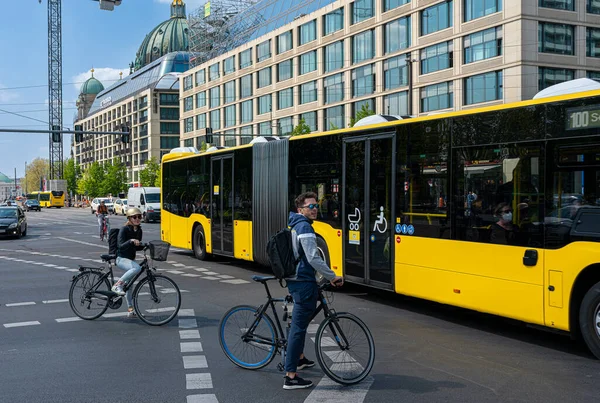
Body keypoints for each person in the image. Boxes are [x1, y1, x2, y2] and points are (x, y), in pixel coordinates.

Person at [284, 191, 344, 390]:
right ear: (300, 209)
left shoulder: (295, 224)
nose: (315, 209)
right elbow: (313, 258)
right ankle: (290, 376)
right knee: (298, 328)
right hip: (302, 281)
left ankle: (299, 358)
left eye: (316, 205)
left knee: (300, 322)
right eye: (310, 206)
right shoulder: (304, 227)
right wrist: (332, 275)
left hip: (297, 279)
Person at [111, 208, 144, 318]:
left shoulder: (139, 230)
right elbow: (120, 246)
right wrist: (130, 241)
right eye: (135, 217)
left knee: (129, 286)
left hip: (130, 259)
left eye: (139, 216)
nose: (137, 219)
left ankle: (131, 309)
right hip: (121, 259)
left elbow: (136, 246)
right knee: (137, 268)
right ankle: (117, 285)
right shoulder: (124, 229)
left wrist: (144, 246)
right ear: (129, 218)